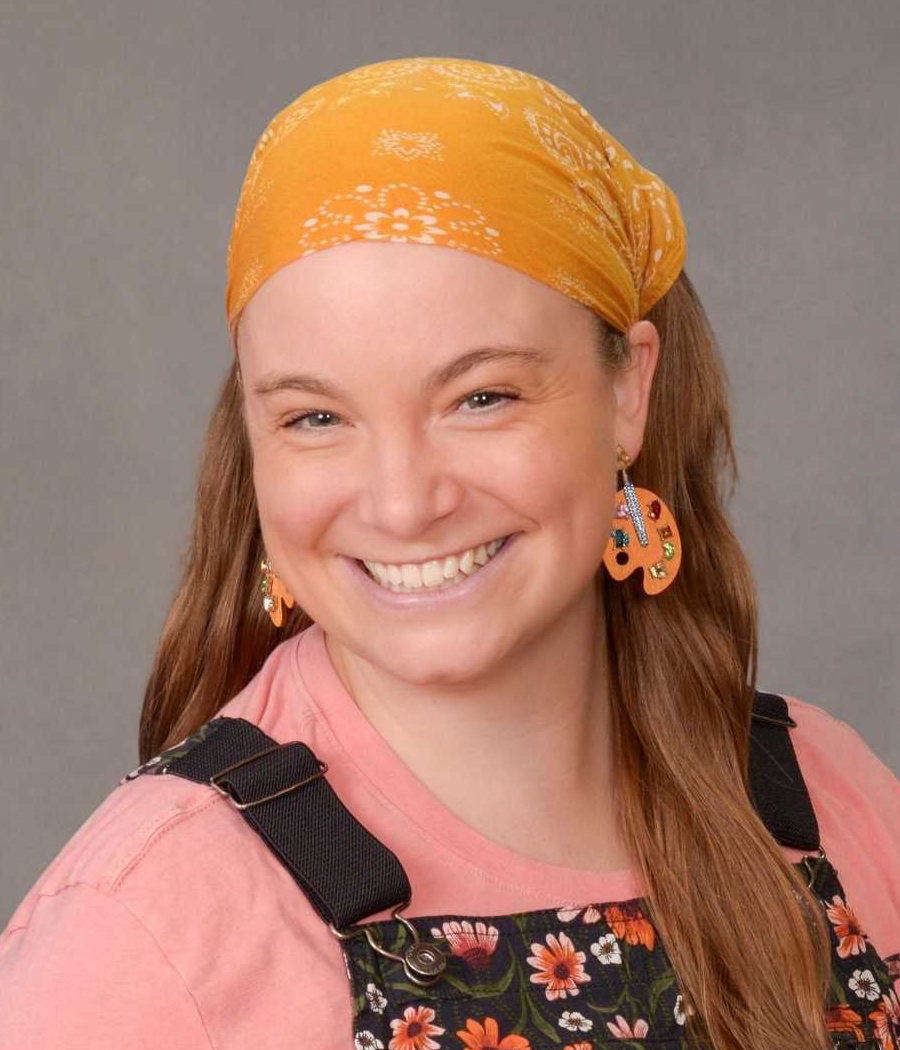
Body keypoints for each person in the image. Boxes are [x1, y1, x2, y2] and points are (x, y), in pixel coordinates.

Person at [1, 55, 898, 1050]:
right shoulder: (148, 929)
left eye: (482, 397)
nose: (403, 501)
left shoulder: (831, 798)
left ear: (628, 393)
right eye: (315, 416)